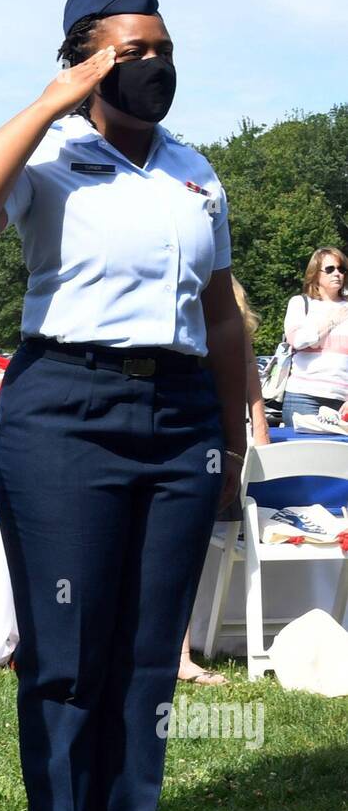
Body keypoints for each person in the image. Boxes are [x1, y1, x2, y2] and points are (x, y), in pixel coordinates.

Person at [0, 0, 246, 811]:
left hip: (180, 412)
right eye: (129, 51)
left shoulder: (196, 172)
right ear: (84, 58)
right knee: (66, 654)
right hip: (66, 407)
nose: (151, 66)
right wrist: (50, 99)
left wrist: (228, 451)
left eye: (161, 50)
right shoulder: (45, 154)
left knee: (149, 653)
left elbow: (223, 318)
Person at [177, 277, 270, 686]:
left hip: (214, 437)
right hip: (185, 430)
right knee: (176, 545)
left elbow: (246, 364)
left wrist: (260, 427)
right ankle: (174, 651)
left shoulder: (225, 311)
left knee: (186, 546)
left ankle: (183, 651)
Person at [282, 248, 348, 427]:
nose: (337, 274)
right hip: (302, 397)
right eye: (330, 269)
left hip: (342, 400)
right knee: (302, 453)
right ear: (315, 274)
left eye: (341, 269)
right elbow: (297, 341)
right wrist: (333, 320)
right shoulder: (300, 304)